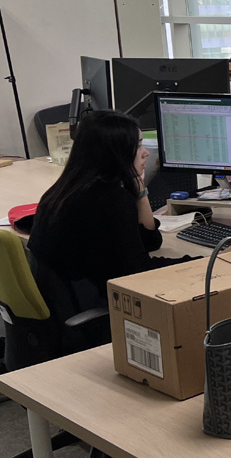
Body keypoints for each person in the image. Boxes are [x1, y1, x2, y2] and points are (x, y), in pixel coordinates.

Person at [28, 111, 194, 311]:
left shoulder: (64, 190)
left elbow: (150, 243)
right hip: (99, 311)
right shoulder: (109, 201)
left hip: (66, 309)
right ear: (116, 153)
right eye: (138, 145)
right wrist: (202, 262)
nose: (146, 153)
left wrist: (140, 193)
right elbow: (139, 271)